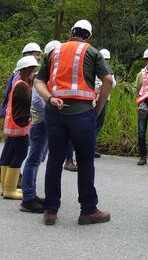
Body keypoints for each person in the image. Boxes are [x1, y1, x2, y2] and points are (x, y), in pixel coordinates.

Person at [34, 19, 113, 226]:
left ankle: (50, 210)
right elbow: (108, 80)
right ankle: (88, 210)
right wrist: (98, 107)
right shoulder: (92, 52)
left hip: (54, 112)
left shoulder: (55, 51)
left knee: (54, 160)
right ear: (88, 36)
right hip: (82, 115)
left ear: (71, 32)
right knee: (85, 161)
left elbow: (39, 81)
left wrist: (50, 98)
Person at [20, 41, 60, 212]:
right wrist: (50, 117)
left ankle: (32, 194)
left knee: (38, 160)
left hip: (45, 123)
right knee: (33, 160)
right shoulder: (42, 75)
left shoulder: (50, 73)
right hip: (40, 123)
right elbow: (37, 101)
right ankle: (27, 198)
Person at [1, 56, 38, 200]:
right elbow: (31, 102)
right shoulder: (22, 85)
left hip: (14, 123)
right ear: (26, 70)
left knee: (9, 155)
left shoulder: (17, 83)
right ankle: (10, 189)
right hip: (20, 124)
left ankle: (4, 187)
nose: (34, 73)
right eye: (32, 70)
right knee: (20, 155)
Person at [1, 43, 42, 118]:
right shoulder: (19, 74)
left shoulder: (25, 72)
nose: (39, 58)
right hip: (17, 113)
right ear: (27, 54)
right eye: (37, 54)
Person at [95, 48, 116, 158]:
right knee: (92, 123)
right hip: (93, 99)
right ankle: (88, 147)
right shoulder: (92, 68)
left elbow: (113, 84)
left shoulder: (108, 70)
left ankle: (91, 147)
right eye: (104, 59)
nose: (106, 61)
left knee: (99, 123)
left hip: (104, 99)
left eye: (107, 59)